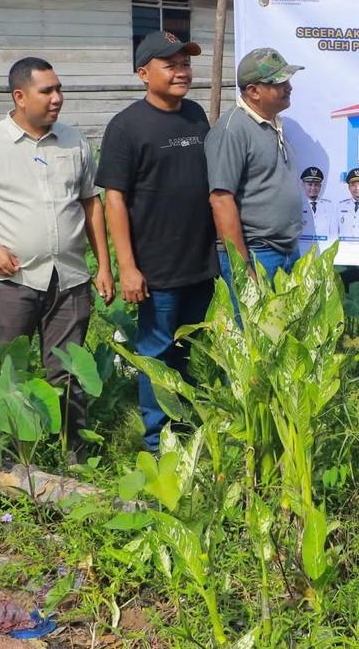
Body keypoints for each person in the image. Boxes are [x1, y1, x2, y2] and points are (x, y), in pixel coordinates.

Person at [0, 57, 114, 458]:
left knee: (68, 369)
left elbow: (92, 203)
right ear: (20, 97)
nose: (58, 98)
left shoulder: (74, 141)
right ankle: (9, 456)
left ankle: (74, 454)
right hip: (10, 281)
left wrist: (103, 267)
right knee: (8, 370)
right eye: (47, 91)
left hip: (69, 277)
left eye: (59, 89)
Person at [97, 31, 217, 454]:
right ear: (143, 73)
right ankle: (157, 446)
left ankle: (185, 435)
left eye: (185, 63)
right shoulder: (126, 127)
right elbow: (114, 198)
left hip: (200, 264)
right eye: (171, 64)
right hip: (157, 267)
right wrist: (126, 266)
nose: (182, 71)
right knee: (156, 354)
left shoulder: (197, 116)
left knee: (186, 352)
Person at [206, 47, 305, 280]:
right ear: (253, 91)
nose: (288, 88)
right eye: (279, 83)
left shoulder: (273, 123)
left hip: (285, 252)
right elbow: (220, 200)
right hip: (256, 255)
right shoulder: (232, 129)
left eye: (288, 81)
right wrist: (243, 268)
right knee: (251, 318)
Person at [298, 166, 337, 256]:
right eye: (310, 184)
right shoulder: (297, 205)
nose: (313, 188)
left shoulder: (329, 206)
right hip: (302, 254)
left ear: (320, 186)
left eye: (316, 185)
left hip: (324, 253)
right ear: (303, 184)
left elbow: (334, 234)